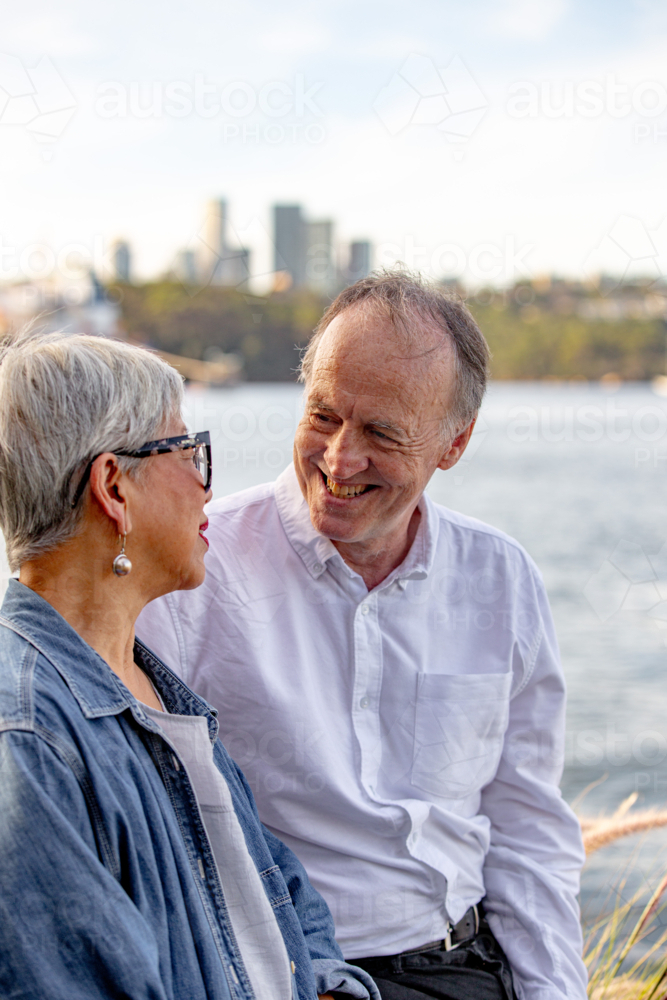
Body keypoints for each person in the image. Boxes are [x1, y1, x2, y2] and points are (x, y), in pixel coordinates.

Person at [138, 271, 588, 1000]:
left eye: (381, 432)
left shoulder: (499, 578)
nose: (339, 460)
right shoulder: (197, 568)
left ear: (453, 442)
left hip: (468, 968)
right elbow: (143, 815)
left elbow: (526, 826)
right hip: (288, 974)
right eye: (322, 417)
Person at [0, 331, 379, 1000]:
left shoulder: (153, 690)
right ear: (114, 486)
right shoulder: (26, 739)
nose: (207, 487)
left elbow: (276, 890)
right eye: (187, 451)